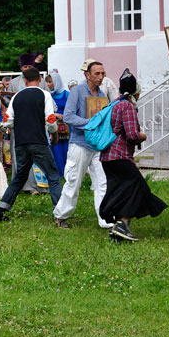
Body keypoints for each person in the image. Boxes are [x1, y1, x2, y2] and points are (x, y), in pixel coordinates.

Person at [99, 70, 167, 242]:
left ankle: (119, 228)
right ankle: (122, 223)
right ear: (135, 91)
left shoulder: (114, 103)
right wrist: (142, 136)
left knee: (122, 189)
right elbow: (131, 135)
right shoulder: (127, 106)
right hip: (119, 155)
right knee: (137, 186)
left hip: (108, 156)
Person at [0, 67, 62, 222]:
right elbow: (50, 120)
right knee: (53, 176)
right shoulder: (45, 95)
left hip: (21, 143)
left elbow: (8, 121)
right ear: (40, 79)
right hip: (38, 142)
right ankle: (60, 214)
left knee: (19, 178)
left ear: (24, 80)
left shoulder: (17, 97)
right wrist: (54, 135)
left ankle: (0, 210)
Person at [52, 60, 112, 229]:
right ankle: (60, 215)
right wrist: (91, 123)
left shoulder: (102, 96)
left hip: (98, 147)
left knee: (103, 182)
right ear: (87, 75)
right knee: (73, 181)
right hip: (79, 144)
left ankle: (105, 219)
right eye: (97, 74)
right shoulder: (77, 91)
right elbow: (69, 117)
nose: (101, 77)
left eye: (103, 74)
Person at [45, 71, 69, 177]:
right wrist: (55, 114)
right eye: (48, 82)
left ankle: (69, 173)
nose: (49, 84)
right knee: (56, 148)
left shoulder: (67, 94)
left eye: (50, 82)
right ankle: (59, 172)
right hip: (53, 126)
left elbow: (72, 109)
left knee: (67, 149)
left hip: (67, 128)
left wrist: (64, 115)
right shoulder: (48, 96)